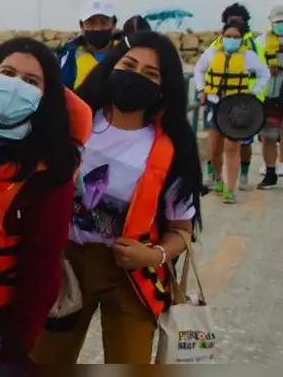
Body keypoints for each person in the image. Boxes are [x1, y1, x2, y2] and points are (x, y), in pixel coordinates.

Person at [31, 32, 203, 364]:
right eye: (129, 65)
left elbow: (182, 230)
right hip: (64, 263)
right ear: (111, 66)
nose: (136, 75)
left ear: (163, 87)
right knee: (43, 360)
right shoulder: (73, 123)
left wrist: (153, 255)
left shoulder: (172, 150)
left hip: (130, 275)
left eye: (150, 73)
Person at [0, 37, 91, 365]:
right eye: (7, 73)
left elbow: (42, 269)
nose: (15, 86)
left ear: (45, 96)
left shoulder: (49, 173)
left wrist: (17, 344)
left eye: (31, 81)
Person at [194, 19, 270, 203]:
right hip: (214, 103)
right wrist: (201, 89)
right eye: (228, 36)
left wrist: (253, 92)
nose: (231, 40)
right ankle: (218, 179)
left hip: (237, 107)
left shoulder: (248, 56)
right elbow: (198, 70)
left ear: (242, 38)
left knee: (232, 148)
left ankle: (230, 189)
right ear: (222, 35)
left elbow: (264, 73)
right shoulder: (212, 53)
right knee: (214, 148)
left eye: (236, 37)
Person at [57, 0, 122, 90]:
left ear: (114, 24)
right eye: (91, 23)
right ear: (81, 26)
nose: (98, 28)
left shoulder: (126, 51)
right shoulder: (69, 56)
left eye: (104, 22)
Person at [256, 5, 283, 189]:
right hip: (270, 93)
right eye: (278, 22)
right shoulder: (262, 41)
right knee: (268, 135)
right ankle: (270, 173)